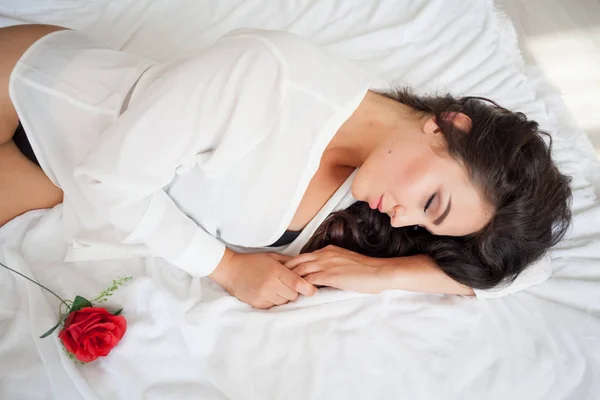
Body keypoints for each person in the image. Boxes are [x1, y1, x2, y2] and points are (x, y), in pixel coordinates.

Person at [0, 24, 571, 309]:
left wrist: (385, 275)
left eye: (425, 224)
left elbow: (525, 271)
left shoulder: (373, 185)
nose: (403, 221)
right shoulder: (269, 77)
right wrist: (226, 267)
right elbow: (110, 181)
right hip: (32, 92)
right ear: (449, 126)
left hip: (58, 182)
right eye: (431, 203)